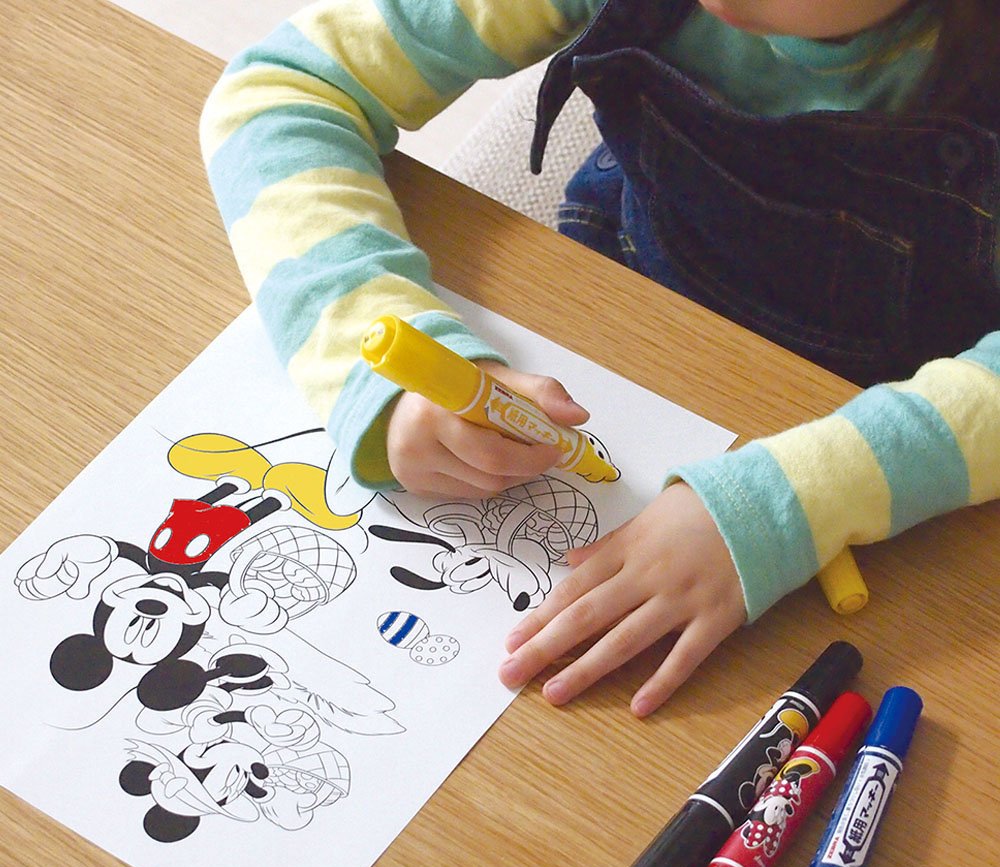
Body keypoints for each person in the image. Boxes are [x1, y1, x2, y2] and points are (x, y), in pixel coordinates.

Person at [200, 0, 1000, 717]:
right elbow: (281, 89)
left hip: (919, 401)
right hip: (637, 297)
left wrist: (790, 504)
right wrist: (380, 362)